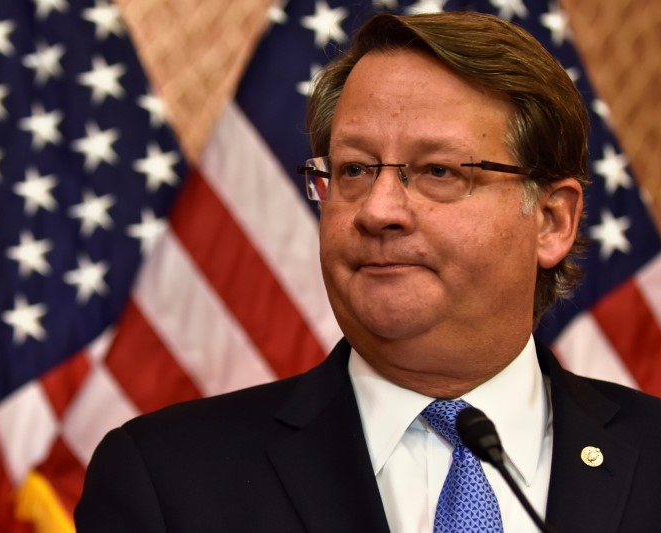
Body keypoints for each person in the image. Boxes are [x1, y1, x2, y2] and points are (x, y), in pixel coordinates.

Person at [75, 11, 661, 532]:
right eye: (353, 170)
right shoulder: (168, 481)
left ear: (552, 221)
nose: (378, 210)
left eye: (438, 171)